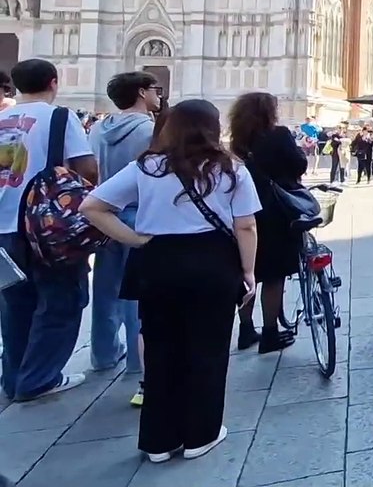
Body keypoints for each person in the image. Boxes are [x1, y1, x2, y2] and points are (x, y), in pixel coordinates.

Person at [80, 99, 260, 463]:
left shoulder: (146, 167)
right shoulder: (231, 169)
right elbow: (246, 226)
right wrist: (248, 271)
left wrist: (135, 238)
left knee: (160, 349)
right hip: (211, 262)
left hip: (158, 261)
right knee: (208, 349)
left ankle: (158, 441)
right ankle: (200, 435)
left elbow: (92, 207)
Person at [0, 58, 98, 402]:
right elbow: (86, 168)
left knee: (15, 305)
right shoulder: (60, 117)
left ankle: (14, 378)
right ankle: (39, 379)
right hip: (44, 227)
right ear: (54, 82)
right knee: (62, 301)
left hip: (3, 229)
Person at [88, 71, 160, 404]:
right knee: (137, 291)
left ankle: (103, 354)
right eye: (155, 89)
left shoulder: (99, 128)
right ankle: (135, 358)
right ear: (142, 93)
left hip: (104, 214)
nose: (159, 95)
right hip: (138, 214)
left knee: (105, 288)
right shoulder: (149, 130)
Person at [228, 91, 306, 353]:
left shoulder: (238, 141)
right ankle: (270, 333)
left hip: (244, 211)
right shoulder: (279, 135)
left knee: (248, 272)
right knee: (274, 275)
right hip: (276, 212)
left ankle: (246, 330)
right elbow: (299, 164)